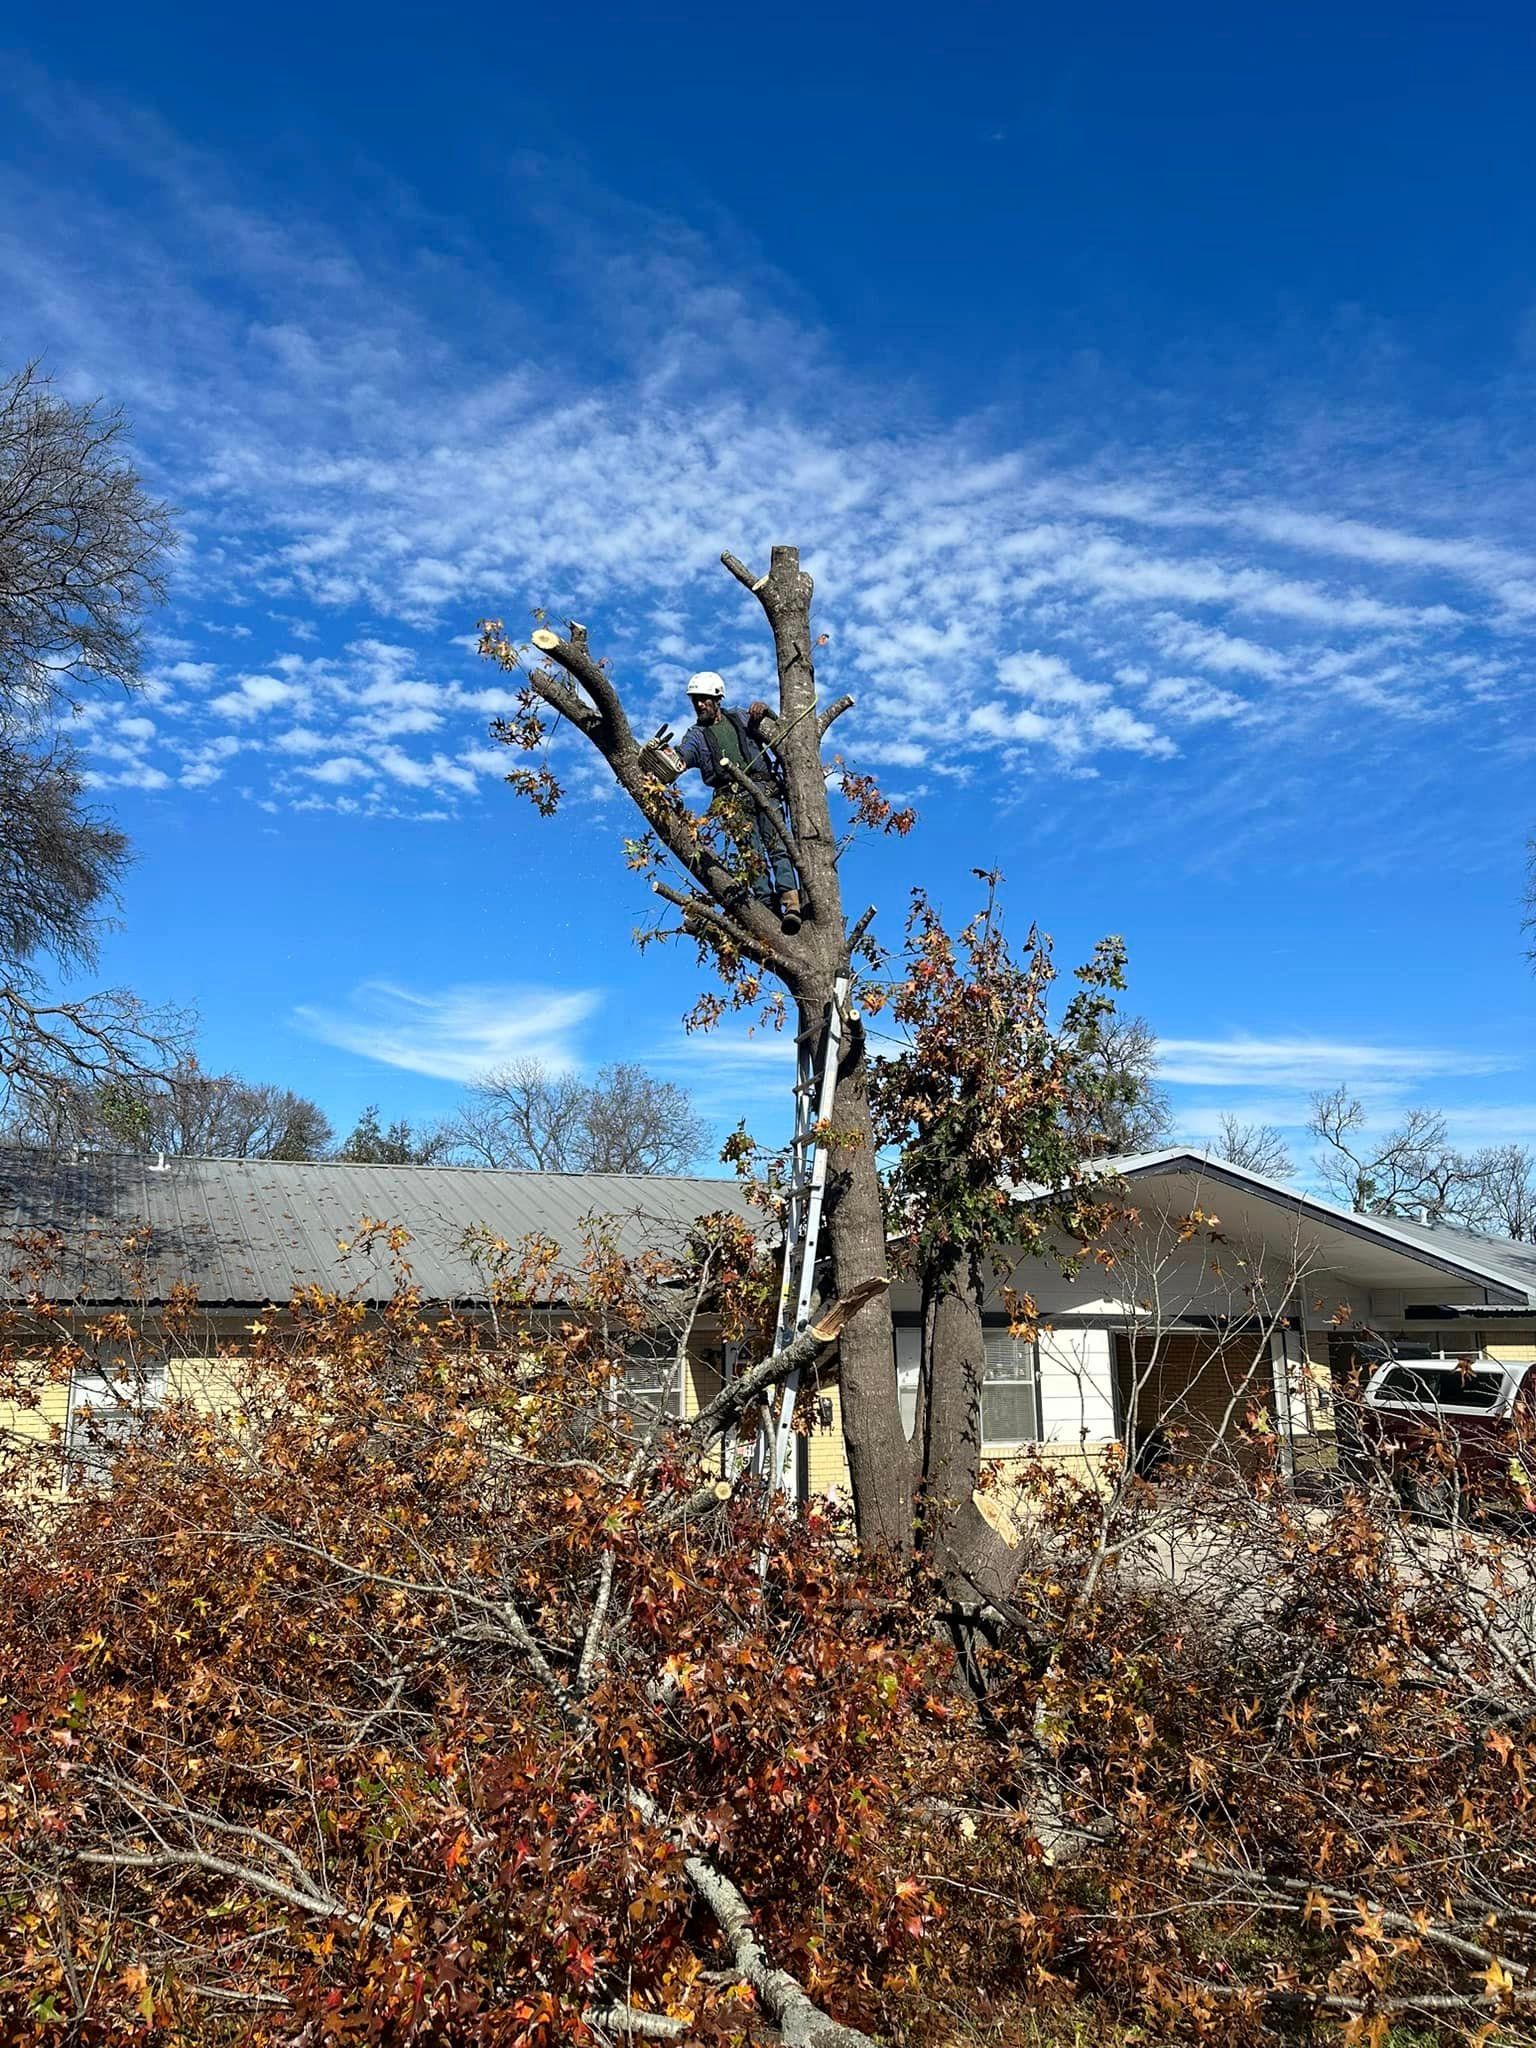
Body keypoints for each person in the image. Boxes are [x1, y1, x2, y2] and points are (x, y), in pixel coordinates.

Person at [674, 671, 802, 934]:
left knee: (778, 846)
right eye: (696, 700)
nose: (699, 704)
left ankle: (791, 904)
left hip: (764, 789)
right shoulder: (696, 735)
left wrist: (766, 712)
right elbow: (683, 756)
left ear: (717, 698)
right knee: (751, 855)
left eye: (705, 699)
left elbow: (779, 734)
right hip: (731, 801)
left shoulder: (741, 717)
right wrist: (668, 759)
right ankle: (767, 906)